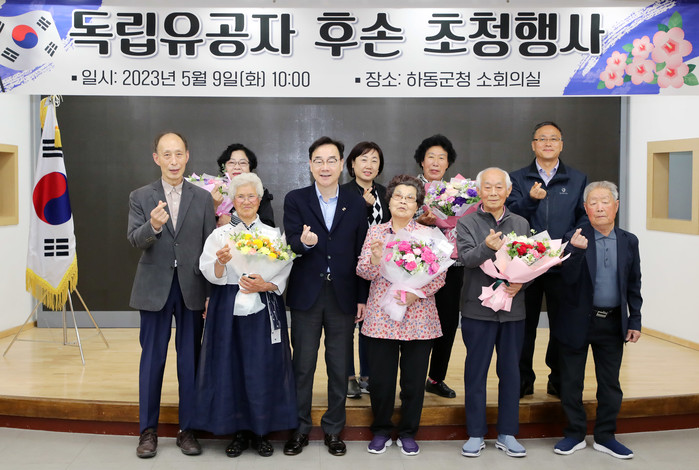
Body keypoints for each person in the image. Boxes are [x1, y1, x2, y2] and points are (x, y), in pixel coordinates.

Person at [193, 172, 297, 458]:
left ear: (260, 200)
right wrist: (220, 262)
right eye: (241, 196)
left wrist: (266, 284)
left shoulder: (272, 235)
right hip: (227, 305)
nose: (247, 201)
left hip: (263, 304)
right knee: (231, 364)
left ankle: (262, 430)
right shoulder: (220, 235)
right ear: (233, 201)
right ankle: (237, 430)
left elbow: (284, 268)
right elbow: (208, 270)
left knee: (262, 365)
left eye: (252, 196)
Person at [127, 132, 216, 458]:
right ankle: (147, 432)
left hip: (192, 288)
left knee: (190, 362)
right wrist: (152, 226)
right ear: (156, 158)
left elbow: (209, 247)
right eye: (167, 155)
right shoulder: (140, 196)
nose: (174, 161)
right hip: (154, 289)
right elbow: (134, 239)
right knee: (152, 361)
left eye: (179, 154)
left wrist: (210, 294)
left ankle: (187, 429)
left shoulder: (203, 198)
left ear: (187, 155)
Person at [282, 136, 369, 457]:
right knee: (302, 366)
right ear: (309, 165)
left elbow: (361, 251)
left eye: (332, 160)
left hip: (343, 296)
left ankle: (334, 429)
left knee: (338, 367)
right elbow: (291, 242)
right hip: (307, 295)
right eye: (318, 160)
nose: (325, 166)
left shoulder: (355, 202)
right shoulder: (296, 199)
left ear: (342, 164)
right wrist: (303, 243)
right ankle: (299, 428)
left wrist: (362, 297)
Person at [357, 174, 446, 456]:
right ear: (389, 201)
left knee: (413, 382)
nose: (403, 202)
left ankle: (408, 432)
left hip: (418, 317)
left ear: (418, 205)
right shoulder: (376, 233)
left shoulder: (430, 235)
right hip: (381, 317)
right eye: (398, 196)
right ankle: (381, 430)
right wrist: (375, 258)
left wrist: (416, 293)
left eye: (410, 198)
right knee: (381, 381)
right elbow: (363, 271)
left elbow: (439, 275)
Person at [552, 181, 642, 459]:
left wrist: (635, 320)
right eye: (593, 202)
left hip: (612, 322)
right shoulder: (574, 237)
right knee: (571, 382)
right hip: (577, 321)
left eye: (605, 202)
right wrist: (577, 251)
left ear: (616, 206)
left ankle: (605, 436)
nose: (600, 207)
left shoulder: (629, 241)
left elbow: (634, 283)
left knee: (610, 383)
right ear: (585, 208)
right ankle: (574, 434)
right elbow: (566, 281)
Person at [507, 121, 588, 399]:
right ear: (533, 145)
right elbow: (510, 215)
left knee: (562, 325)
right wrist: (531, 200)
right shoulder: (518, 178)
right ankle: (522, 380)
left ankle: (558, 380)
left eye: (554, 138)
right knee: (523, 325)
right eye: (542, 139)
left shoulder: (577, 179)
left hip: (561, 262)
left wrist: (563, 246)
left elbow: (584, 217)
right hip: (525, 264)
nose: (548, 143)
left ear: (561, 145)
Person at [456, 167, 529, 458]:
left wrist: (522, 283)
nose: (494, 192)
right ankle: (475, 433)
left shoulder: (521, 222)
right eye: (488, 187)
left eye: (499, 187)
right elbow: (466, 259)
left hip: (513, 310)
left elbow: (532, 261)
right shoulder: (467, 222)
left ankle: (507, 433)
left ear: (508, 191)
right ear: (479, 191)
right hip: (478, 309)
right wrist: (487, 247)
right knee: (476, 373)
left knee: (511, 372)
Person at [413, 134, 462, 399]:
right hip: (417, 267)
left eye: (441, 158)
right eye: (430, 157)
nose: (435, 162)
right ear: (421, 161)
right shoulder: (410, 188)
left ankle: (435, 378)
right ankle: (411, 379)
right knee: (417, 324)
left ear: (447, 163)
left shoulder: (458, 193)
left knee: (447, 323)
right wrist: (419, 221)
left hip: (451, 267)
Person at [341, 141, 390, 398]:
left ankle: (368, 375)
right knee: (348, 322)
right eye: (363, 159)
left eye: (374, 160)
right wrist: (363, 206)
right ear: (352, 164)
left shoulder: (387, 193)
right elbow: (341, 228)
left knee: (372, 324)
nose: (369, 165)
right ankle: (349, 375)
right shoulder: (343, 193)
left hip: (380, 269)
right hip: (349, 267)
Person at [215, 143, 275, 227]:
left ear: (250, 167)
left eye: (242, 163)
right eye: (231, 162)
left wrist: (233, 222)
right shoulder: (214, 191)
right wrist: (214, 205)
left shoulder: (259, 191)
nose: (237, 167)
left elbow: (268, 225)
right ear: (224, 167)